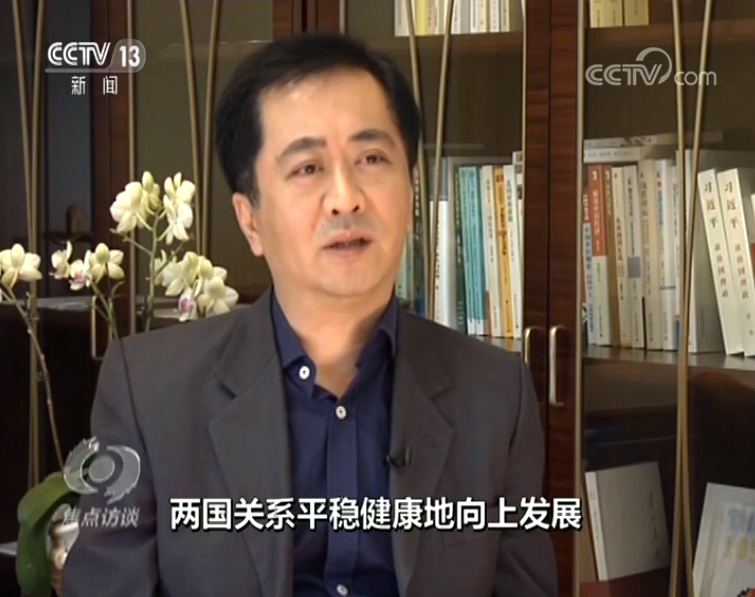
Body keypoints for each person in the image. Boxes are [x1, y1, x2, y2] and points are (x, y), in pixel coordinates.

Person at [61, 32, 557, 597]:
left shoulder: (496, 394)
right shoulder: (150, 391)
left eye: (372, 159)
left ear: (412, 193)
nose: (346, 197)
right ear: (250, 220)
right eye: (307, 168)